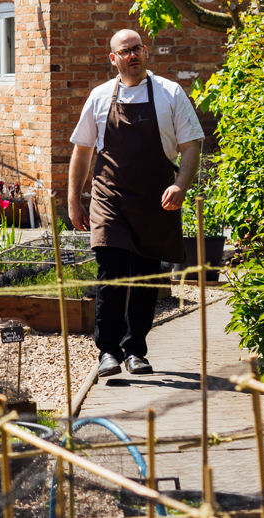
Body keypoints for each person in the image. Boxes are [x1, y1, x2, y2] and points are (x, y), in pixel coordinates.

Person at [67, 29, 203, 378]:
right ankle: (107, 352)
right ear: (113, 58)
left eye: (138, 49)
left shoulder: (170, 93)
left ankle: (135, 350)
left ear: (147, 52)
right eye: (125, 51)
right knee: (111, 270)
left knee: (145, 276)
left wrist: (180, 186)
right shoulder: (99, 98)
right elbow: (82, 151)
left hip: (155, 200)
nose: (133, 55)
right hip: (109, 198)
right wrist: (73, 201)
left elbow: (191, 146)